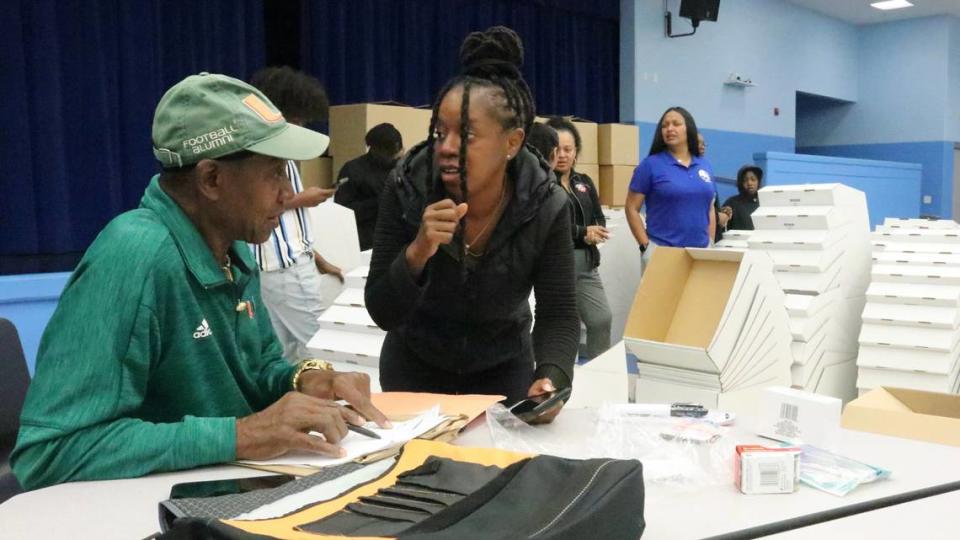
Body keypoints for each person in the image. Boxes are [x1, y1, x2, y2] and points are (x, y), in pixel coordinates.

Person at [11, 73, 388, 491]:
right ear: (211, 179)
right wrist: (241, 435)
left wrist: (308, 378)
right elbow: (50, 452)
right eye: (276, 173)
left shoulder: (235, 247)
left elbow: (258, 367)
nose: (287, 194)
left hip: (225, 500)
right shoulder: (133, 258)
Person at [364, 26, 579, 418]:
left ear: (512, 143)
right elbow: (381, 310)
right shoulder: (407, 186)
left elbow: (560, 313)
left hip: (502, 373)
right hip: (413, 371)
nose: (446, 147)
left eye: (466, 135)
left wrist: (552, 377)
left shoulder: (547, 203)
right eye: (440, 132)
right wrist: (416, 254)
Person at [249, 66, 345, 363]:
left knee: (283, 353)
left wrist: (318, 259)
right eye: (299, 119)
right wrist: (305, 198)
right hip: (283, 267)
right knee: (319, 347)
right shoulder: (265, 157)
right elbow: (269, 204)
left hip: (273, 267)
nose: (302, 125)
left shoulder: (273, 153)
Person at [546, 117, 613, 360]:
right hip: (554, 269)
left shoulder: (584, 182)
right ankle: (560, 383)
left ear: (576, 152)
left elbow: (599, 218)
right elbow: (547, 225)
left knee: (601, 319)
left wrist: (596, 232)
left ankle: (600, 374)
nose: (562, 155)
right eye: (556, 149)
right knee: (563, 330)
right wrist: (582, 233)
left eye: (568, 149)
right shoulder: (540, 184)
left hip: (587, 266)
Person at [625, 106, 716, 270]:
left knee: (698, 297)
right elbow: (631, 208)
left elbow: (710, 208)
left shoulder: (705, 165)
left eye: (676, 124)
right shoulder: (650, 165)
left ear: (689, 128)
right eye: (665, 125)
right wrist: (646, 247)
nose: (669, 129)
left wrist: (710, 241)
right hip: (662, 252)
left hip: (701, 252)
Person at [335, 123, 404, 251]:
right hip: (366, 243)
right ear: (374, 148)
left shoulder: (402, 168)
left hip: (398, 240)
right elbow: (342, 213)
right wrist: (380, 202)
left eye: (397, 152)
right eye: (389, 153)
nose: (394, 157)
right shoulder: (353, 170)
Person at [699, 132, 730, 243]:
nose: (702, 146)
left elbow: (710, 202)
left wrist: (720, 211)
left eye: (704, 144)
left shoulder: (706, 166)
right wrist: (718, 217)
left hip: (711, 236)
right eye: (698, 143)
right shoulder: (687, 171)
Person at [722, 165, 763, 231]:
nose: (749, 183)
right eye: (745, 180)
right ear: (740, 183)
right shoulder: (731, 203)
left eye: (753, 179)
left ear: (758, 182)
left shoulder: (764, 202)